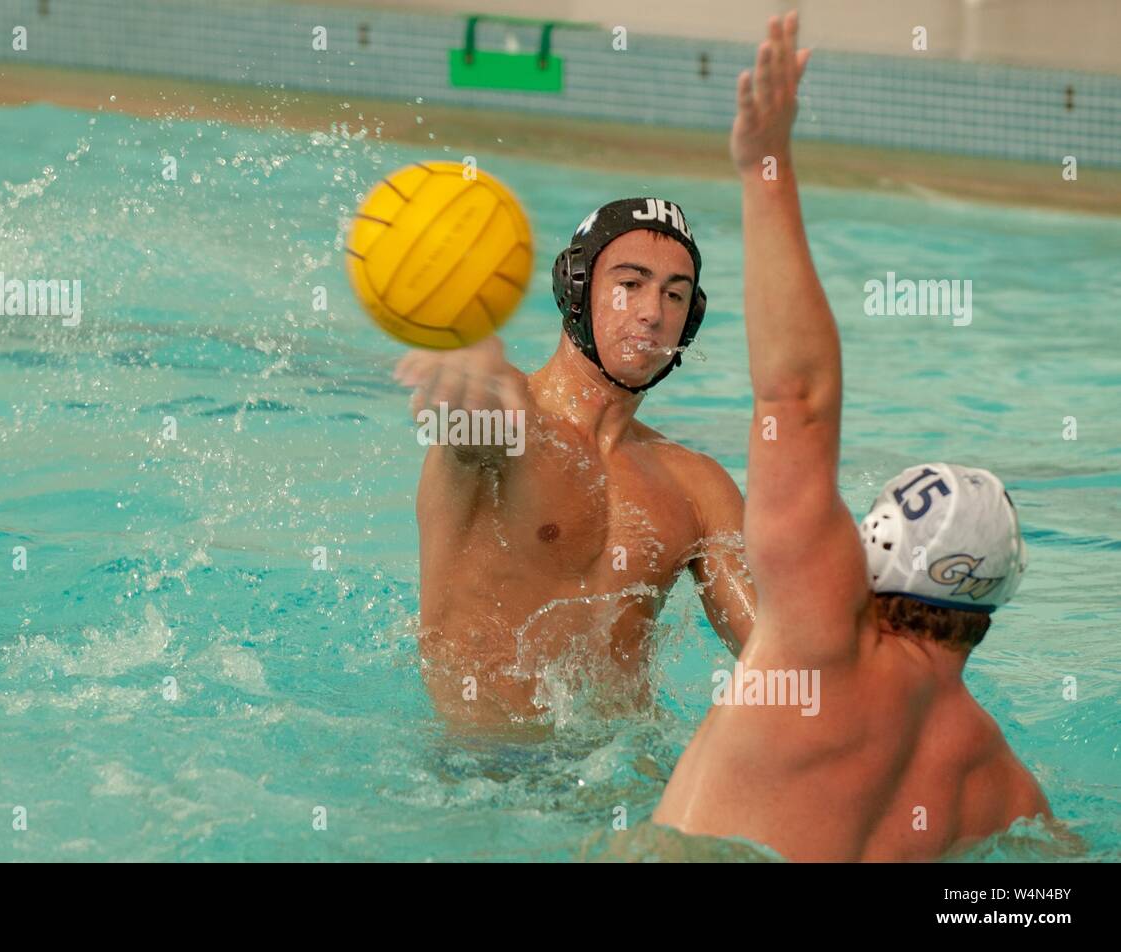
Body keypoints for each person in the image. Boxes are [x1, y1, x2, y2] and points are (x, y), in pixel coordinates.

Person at [653, 11, 1049, 860]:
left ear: (869, 551)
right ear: (991, 606)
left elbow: (793, 400)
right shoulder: (1003, 787)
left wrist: (766, 167)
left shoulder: (817, 632)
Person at [394, 198, 755, 728]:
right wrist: (461, 372)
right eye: (630, 284)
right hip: (477, 770)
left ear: (691, 319)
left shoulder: (699, 488)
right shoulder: (513, 416)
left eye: (674, 294)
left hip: (621, 778)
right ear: (577, 288)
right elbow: (468, 424)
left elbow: (776, 654)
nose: (652, 312)